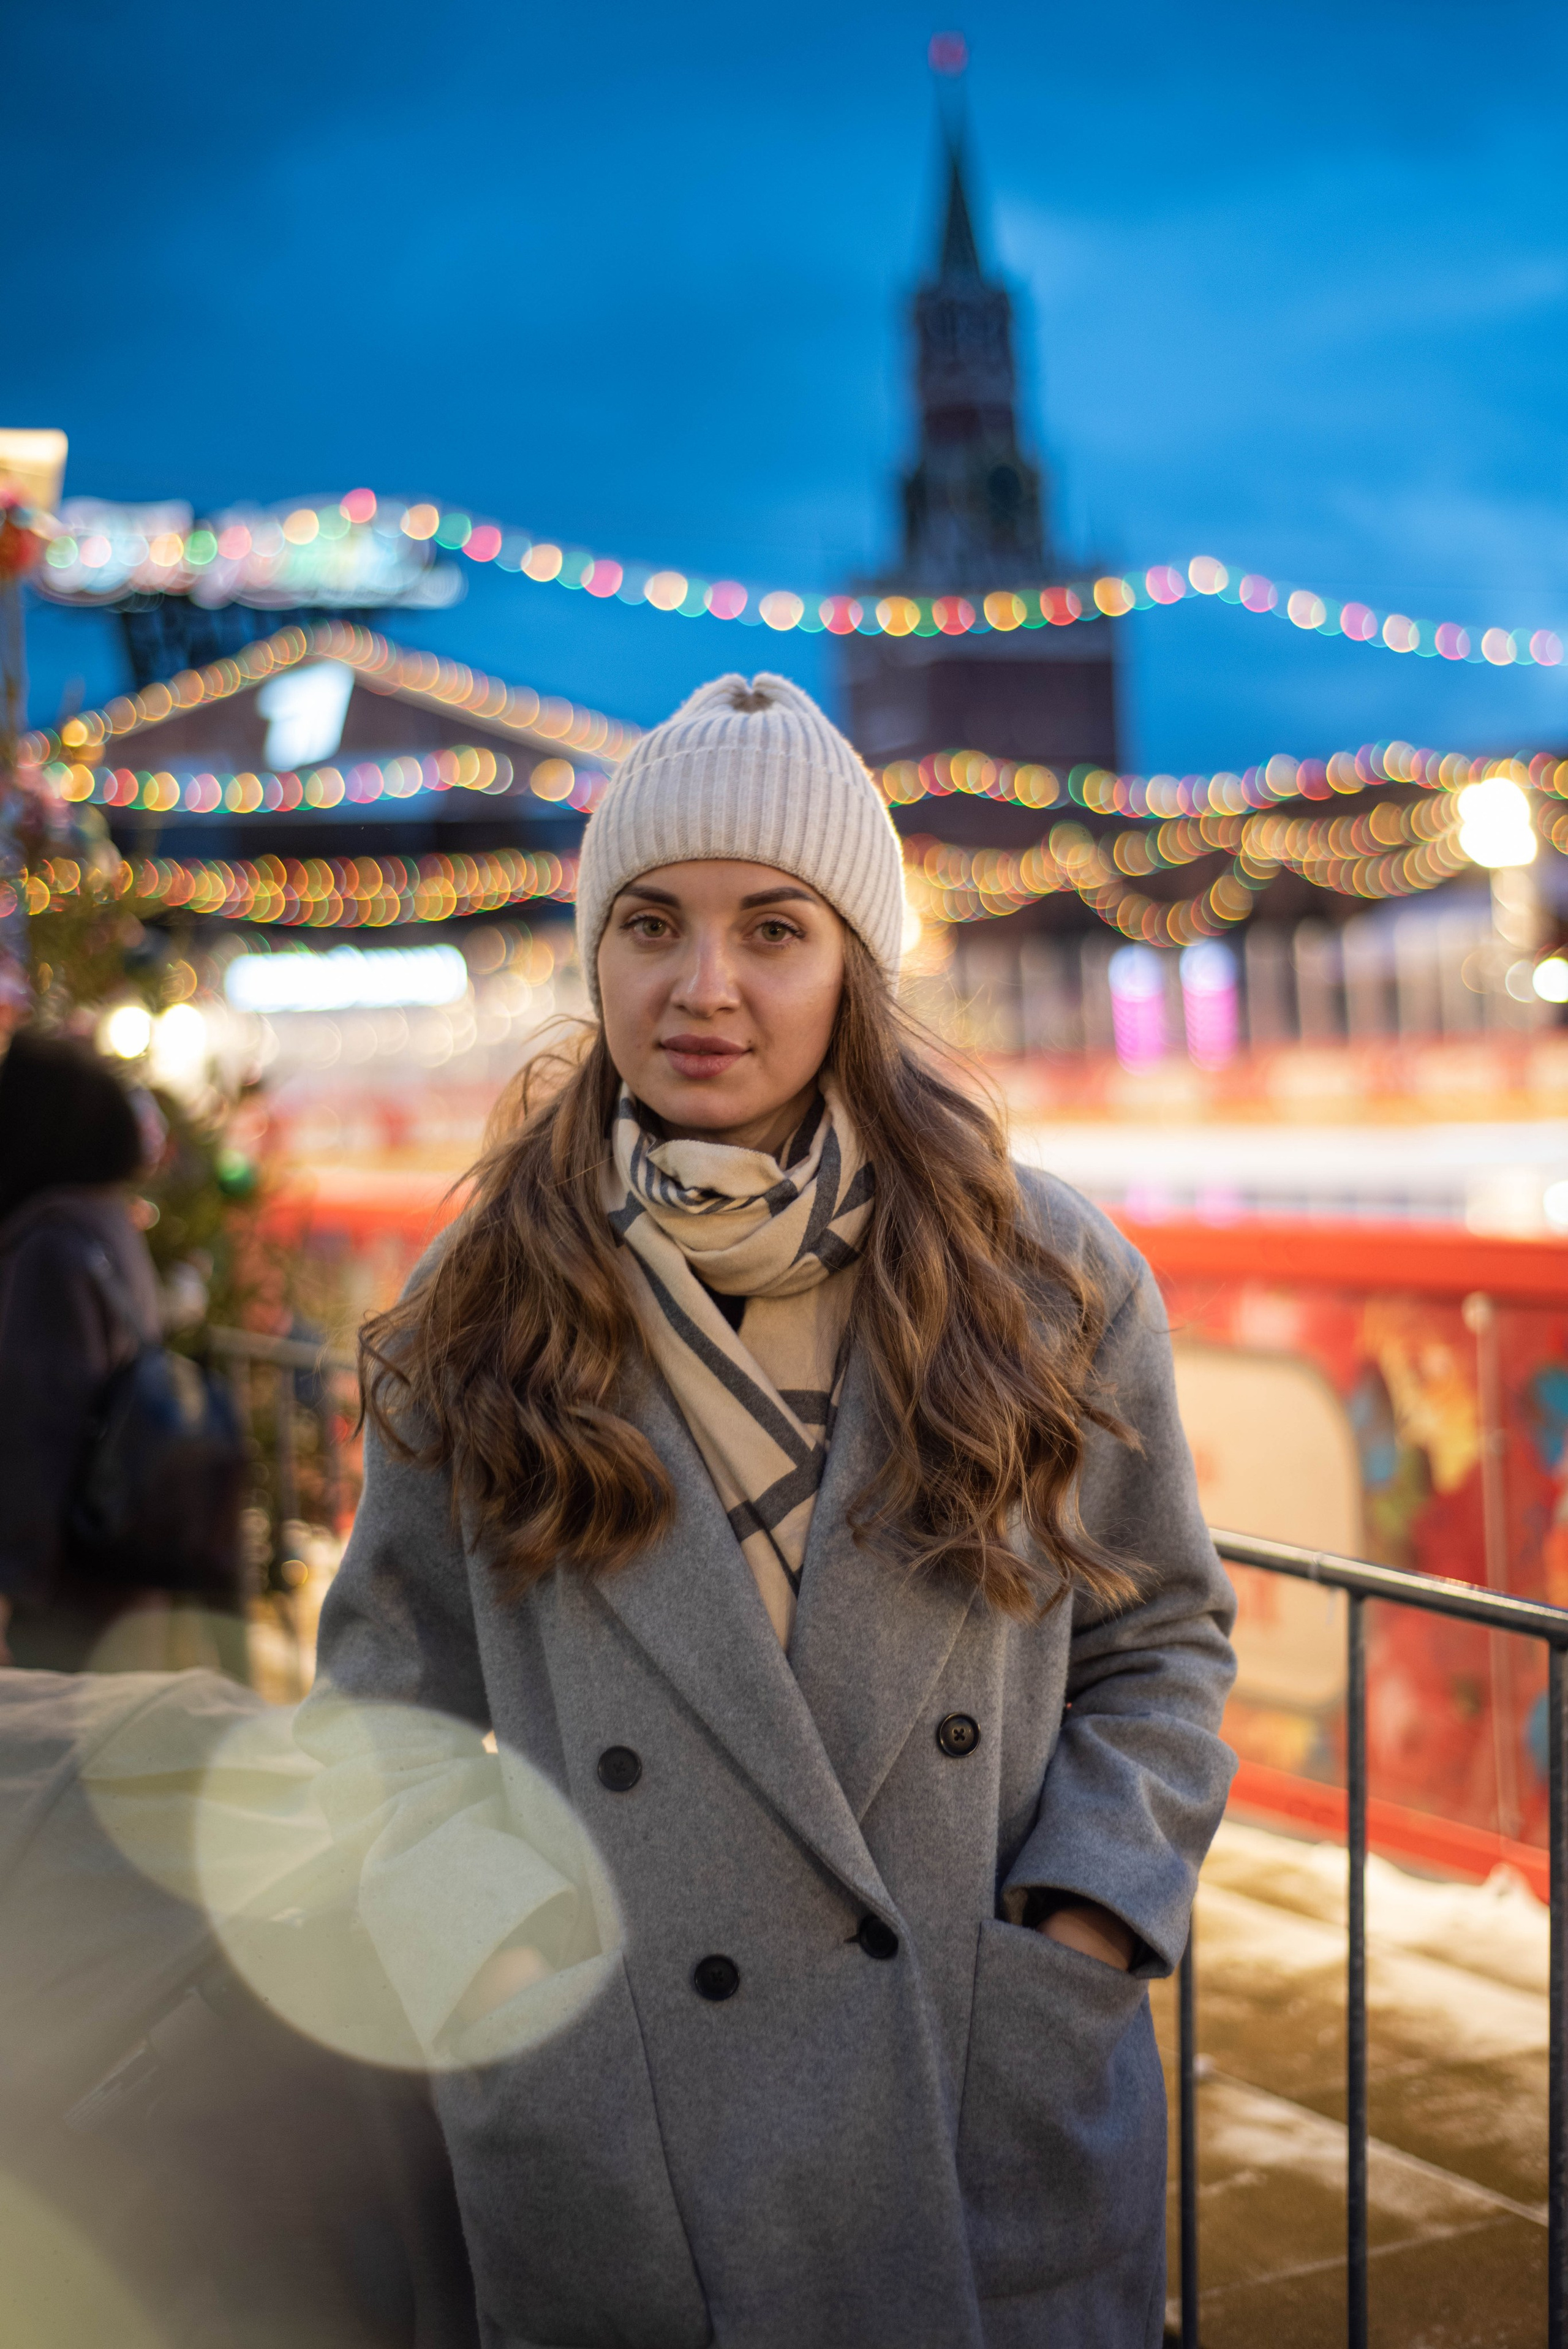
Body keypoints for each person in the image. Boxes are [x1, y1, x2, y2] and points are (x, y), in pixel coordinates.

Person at [298, 674, 1237, 2349]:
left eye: (774, 930)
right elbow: (383, 1717)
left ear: (854, 968)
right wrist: (505, 1990)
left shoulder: (1047, 1278)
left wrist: (1081, 1918)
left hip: (977, 2099)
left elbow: (1161, 1640)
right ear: (597, 955)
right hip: (628, 2139)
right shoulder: (482, 1299)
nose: (702, 987)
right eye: (651, 924)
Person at [0, 1028, 243, 1673]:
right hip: (126, 1566)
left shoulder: (50, 1246)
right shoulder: (107, 1222)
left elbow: (39, 1422)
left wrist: (16, 1581)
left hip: (69, 1585)